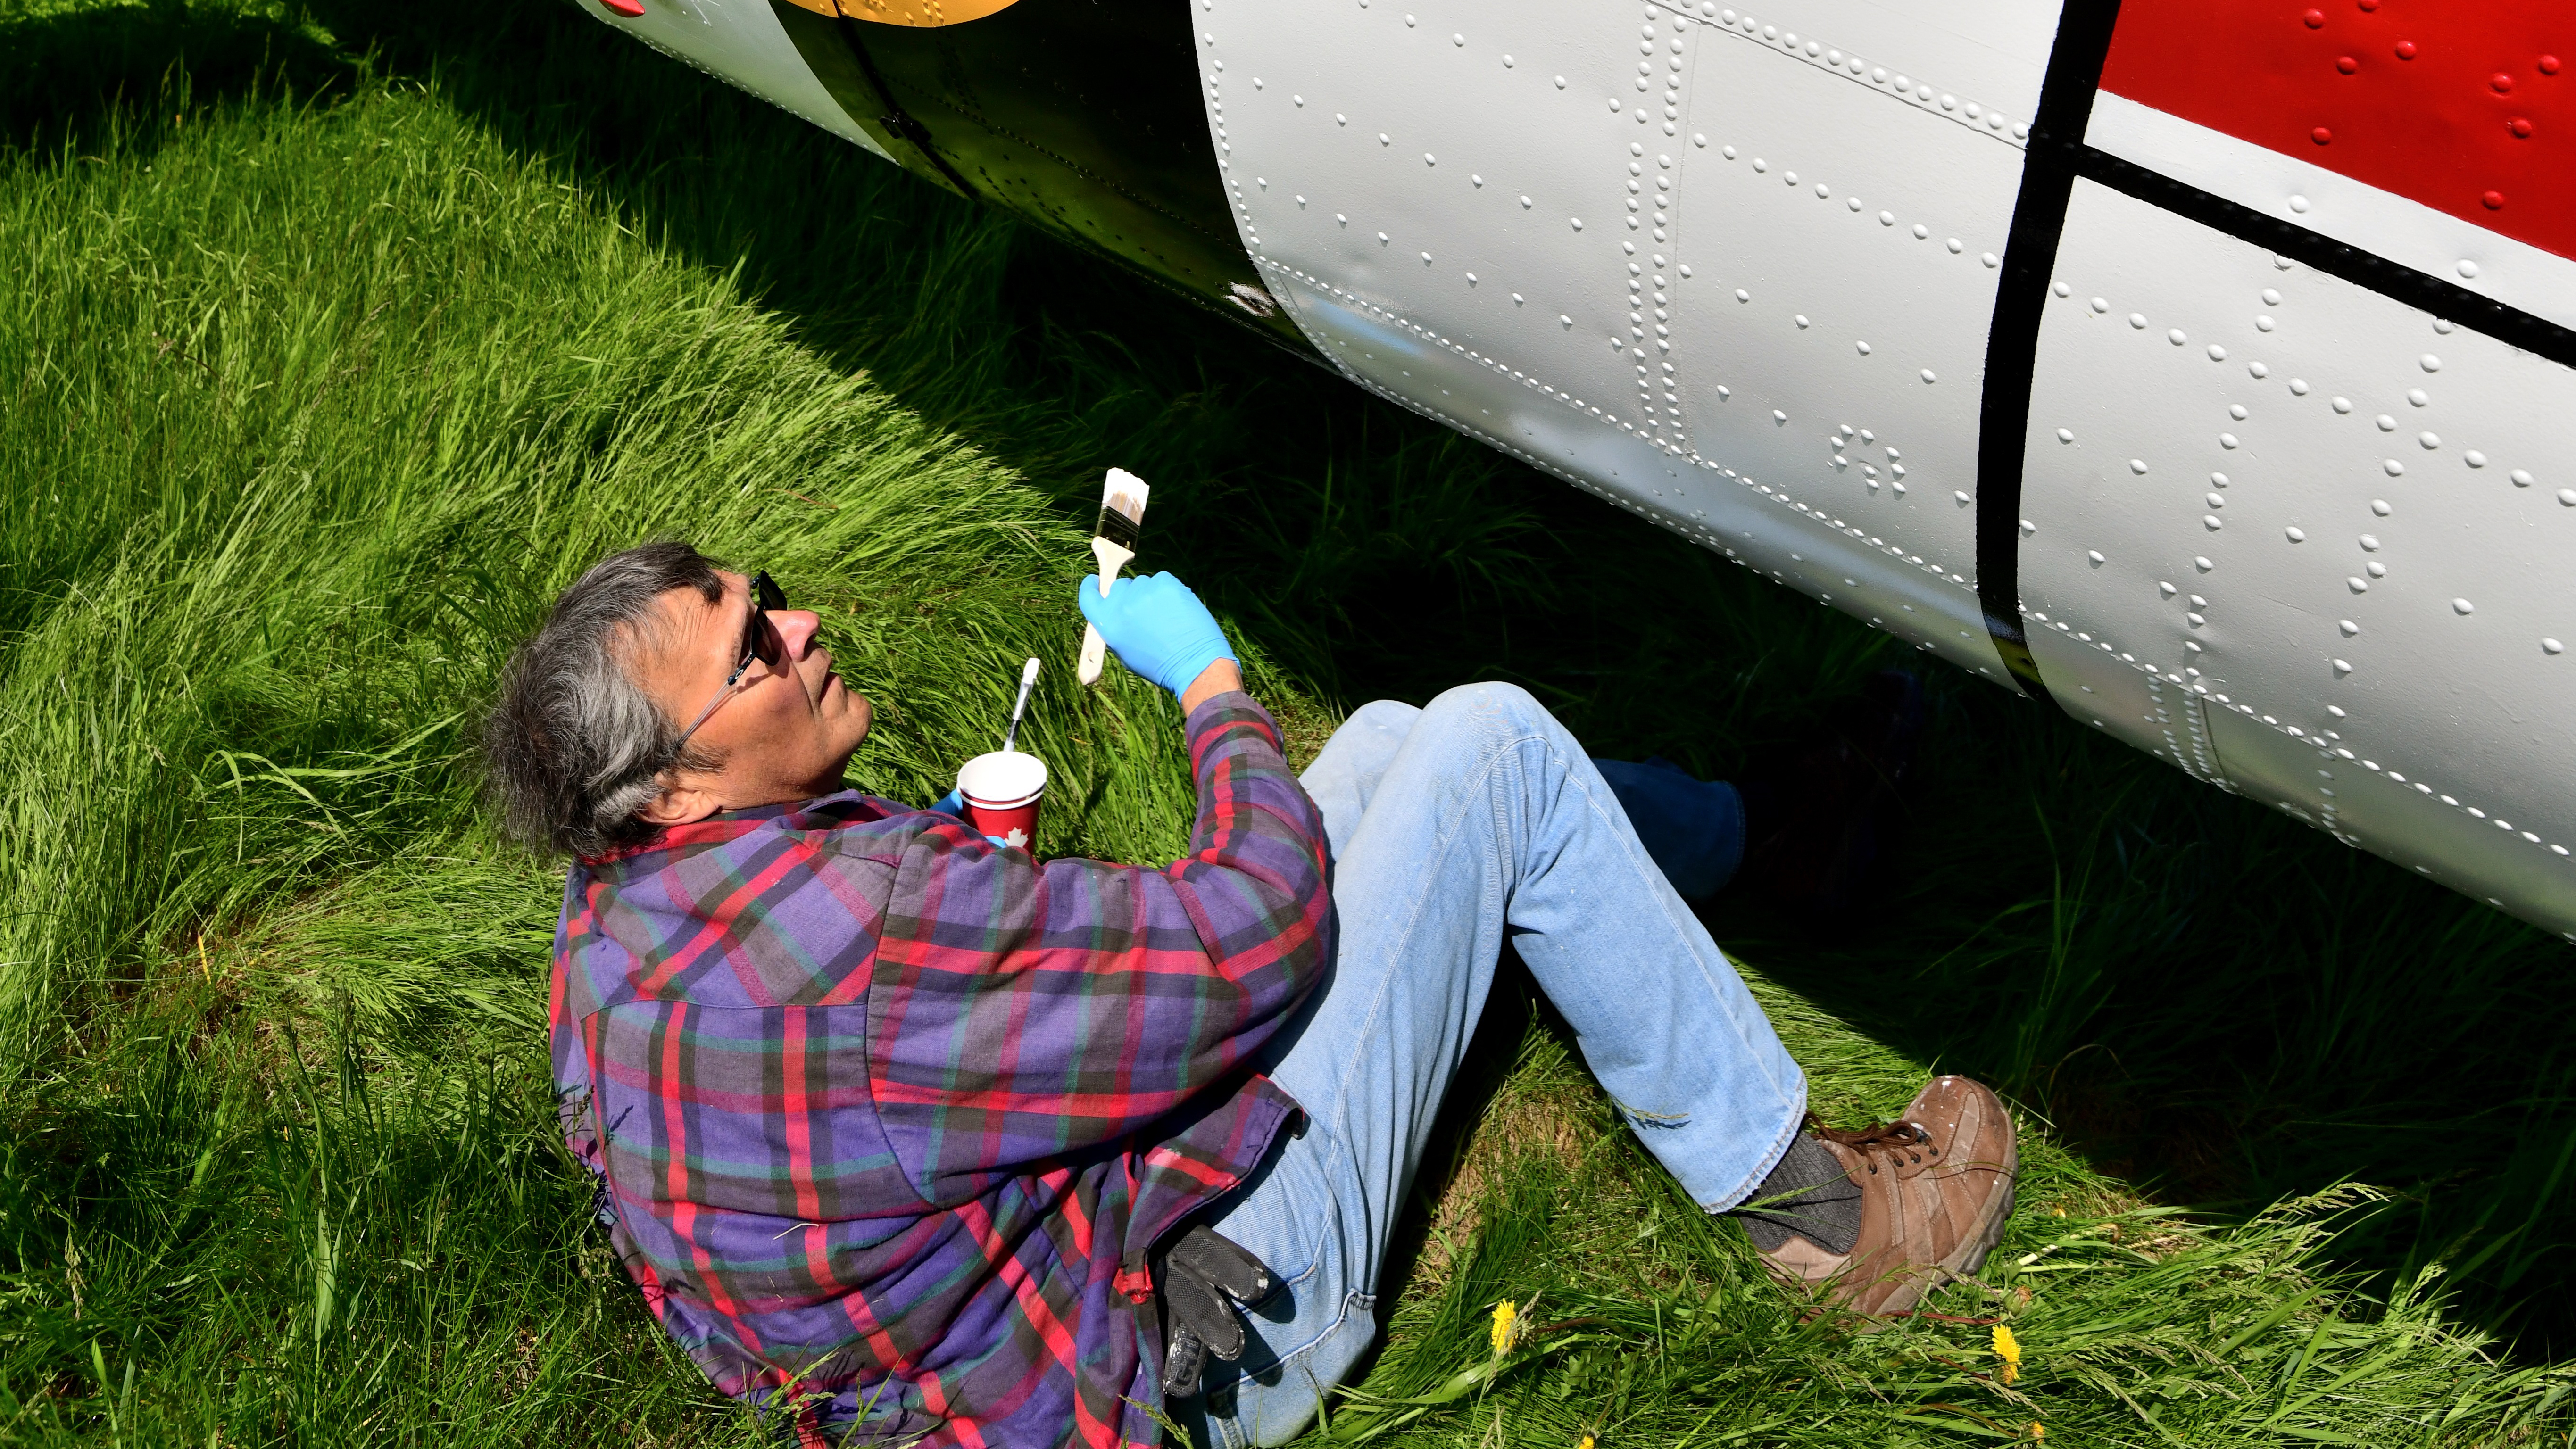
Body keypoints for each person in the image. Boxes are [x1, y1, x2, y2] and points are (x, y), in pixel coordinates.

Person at [482, 543, 2018, 1449]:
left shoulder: (608, 926)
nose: (801, 625)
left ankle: (1755, 839)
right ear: (671, 781)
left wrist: (954, 880)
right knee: (1488, 742)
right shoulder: (871, 931)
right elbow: (1253, 937)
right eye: (753, 646)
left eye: (767, 597)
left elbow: (836, 1096)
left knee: (1395, 736)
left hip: (980, 1360)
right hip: (1179, 1363)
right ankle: (1824, 1219)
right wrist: (1215, 689)